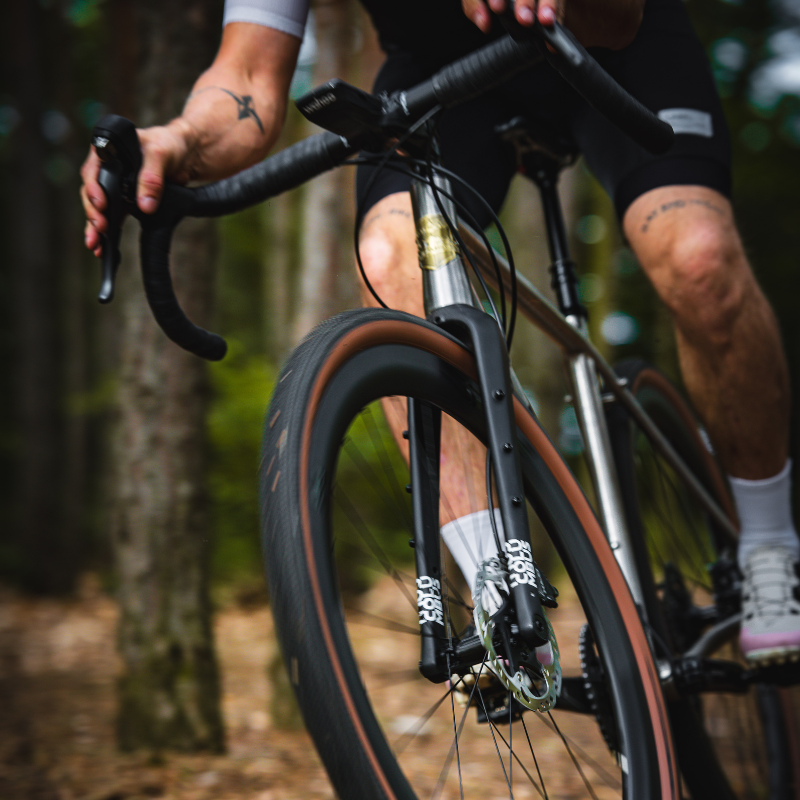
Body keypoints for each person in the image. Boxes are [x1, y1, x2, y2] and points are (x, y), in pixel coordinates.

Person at [80, 0, 800, 664]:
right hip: (450, 81)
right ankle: (500, 586)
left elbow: (619, 16)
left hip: (612, 46)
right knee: (391, 261)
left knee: (698, 257)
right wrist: (171, 142)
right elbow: (243, 86)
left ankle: (769, 544)